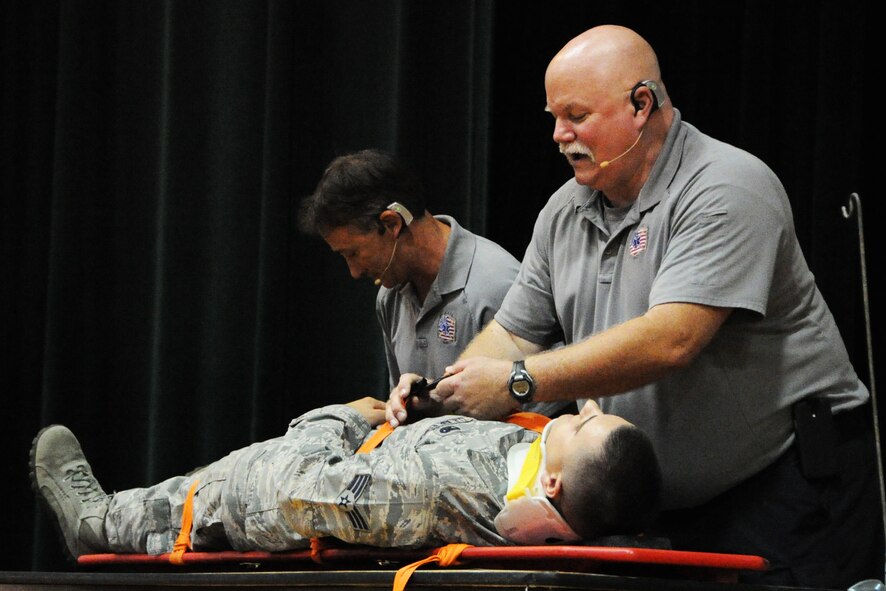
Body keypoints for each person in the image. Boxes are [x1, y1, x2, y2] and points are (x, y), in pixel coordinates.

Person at [387, 25, 881, 587]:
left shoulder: (727, 186)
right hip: (653, 511)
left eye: (575, 115)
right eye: (552, 116)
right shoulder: (563, 211)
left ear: (641, 104)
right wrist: (447, 388)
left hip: (785, 492)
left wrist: (518, 383)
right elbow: (512, 333)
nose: (558, 134)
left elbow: (672, 339)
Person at [29, 398, 661, 558]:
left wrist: (339, 419)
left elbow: (288, 491)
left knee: (229, 485)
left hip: (268, 497)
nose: (584, 411)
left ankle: (101, 523)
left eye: (584, 428)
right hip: (368, 458)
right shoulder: (531, 462)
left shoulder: (428, 494)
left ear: (552, 487)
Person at [300, 149, 567, 416]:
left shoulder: (495, 284)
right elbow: (408, 415)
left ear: (392, 223)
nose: (354, 272)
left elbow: (542, 412)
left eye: (353, 253)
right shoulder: (389, 296)